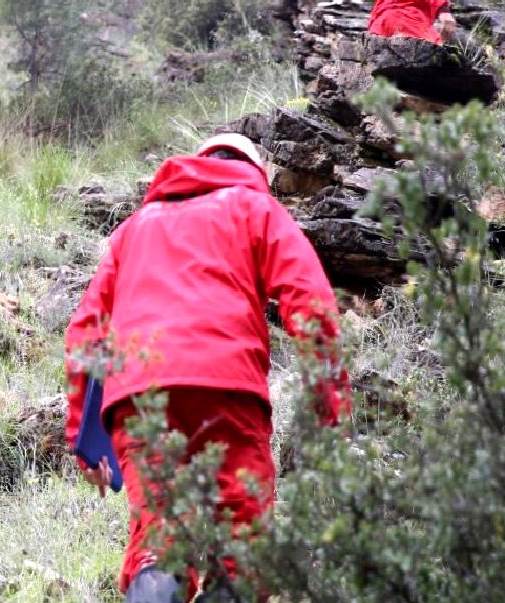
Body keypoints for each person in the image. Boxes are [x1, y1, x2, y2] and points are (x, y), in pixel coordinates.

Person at [64, 133, 352, 603]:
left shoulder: (136, 226)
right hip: (227, 389)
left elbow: (84, 333)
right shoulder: (255, 208)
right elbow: (311, 301)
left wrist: (84, 441)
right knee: (244, 548)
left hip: (139, 397)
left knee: (158, 543)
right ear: (253, 171)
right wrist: (328, 406)